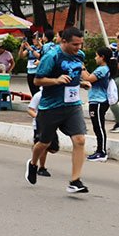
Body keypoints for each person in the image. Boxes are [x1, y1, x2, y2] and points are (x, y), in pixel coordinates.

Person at [25, 27, 90, 193]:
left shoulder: (79, 56)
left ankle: (75, 181)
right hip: (51, 106)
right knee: (44, 143)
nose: (78, 48)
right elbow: (38, 81)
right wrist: (56, 80)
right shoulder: (51, 56)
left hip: (72, 105)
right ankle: (33, 163)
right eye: (75, 44)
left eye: (80, 44)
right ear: (64, 41)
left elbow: (74, 73)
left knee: (80, 140)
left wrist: (80, 83)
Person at [83, 46, 113, 162]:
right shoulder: (102, 68)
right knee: (97, 126)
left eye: (96, 56)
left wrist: (81, 67)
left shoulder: (103, 69)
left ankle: (102, 152)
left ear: (102, 57)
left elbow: (88, 78)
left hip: (99, 101)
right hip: (96, 100)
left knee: (99, 127)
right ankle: (99, 150)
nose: (95, 58)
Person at [27, 88, 57, 176]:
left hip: (51, 125)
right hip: (39, 126)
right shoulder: (39, 95)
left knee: (54, 148)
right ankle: (41, 168)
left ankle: (36, 148)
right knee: (44, 147)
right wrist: (39, 118)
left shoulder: (55, 96)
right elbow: (30, 110)